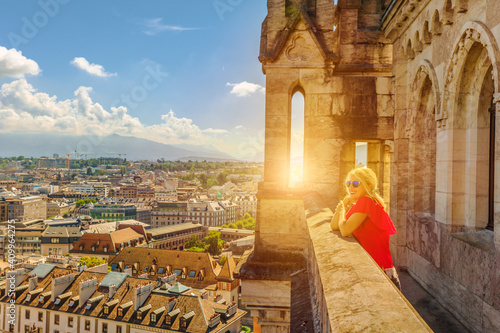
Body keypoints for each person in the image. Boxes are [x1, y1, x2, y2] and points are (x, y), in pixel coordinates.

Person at [330, 167, 401, 289]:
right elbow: (335, 226)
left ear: (368, 186)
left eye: (356, 184)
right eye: (348, 183)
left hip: (380, 273)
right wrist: (342, 206)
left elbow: (345, 230)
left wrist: (342, 211)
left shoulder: (366, 201)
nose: (350, 188)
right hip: (382, 270)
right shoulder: (363, 203)